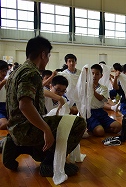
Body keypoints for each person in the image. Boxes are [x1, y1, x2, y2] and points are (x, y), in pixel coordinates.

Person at [2, 36, 86, 177]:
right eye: (48, 56)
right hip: (27, 129)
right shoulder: (31, 72)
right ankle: (50, 164)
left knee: (46, 144)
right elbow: (25, 106)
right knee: (78, 123)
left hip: (15, 128)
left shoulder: (16, 72)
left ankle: (15, 145)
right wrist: (46, 129)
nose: (47, 60)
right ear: (43, 54)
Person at [86, 64, 121, 136]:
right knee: (100, 132)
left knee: (118, 126)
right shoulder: (85, 86)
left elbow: (101, 98)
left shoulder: (103, 88)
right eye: (92, 73)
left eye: (97, 74)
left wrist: (93, 90)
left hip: (100, 112)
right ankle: (95, 127)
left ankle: (101, 127)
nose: (94, 76)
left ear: (101, 76)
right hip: (90, 113)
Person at [0, 60, 8, 130]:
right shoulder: (3, 82)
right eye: (2, 71)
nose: (4, 73)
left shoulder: (5, 81)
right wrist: (3, 83)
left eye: (5, 71)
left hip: (6, 106)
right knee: (5, 124)